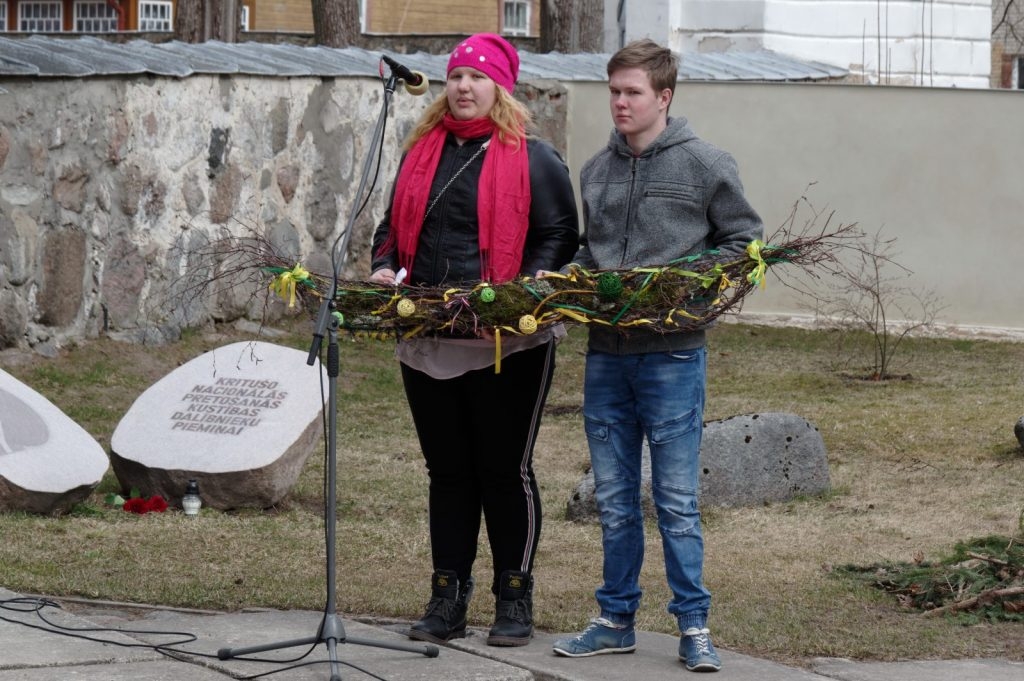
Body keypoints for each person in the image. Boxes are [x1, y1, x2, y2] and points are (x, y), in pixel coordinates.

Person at [550, 39, 763, 672]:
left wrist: (681, 285)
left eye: (631, 92)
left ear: (663, 97)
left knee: (674, 501)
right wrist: (563, 280)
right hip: (606, 357)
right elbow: (593, 253)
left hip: (672, 358)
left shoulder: (705, 164)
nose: (619, 103)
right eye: (613, 91)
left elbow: (744, 244)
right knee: (615, 499)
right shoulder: (596, 170)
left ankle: (694, 626)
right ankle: (615, 618)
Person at [368, 33, 579, 647]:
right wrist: (385, 266)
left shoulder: (534, 157)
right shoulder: (418, 156)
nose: (463, 87)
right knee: (448, 472)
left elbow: (560, 234)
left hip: (506, 340)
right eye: (456, 76)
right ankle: (447, 597)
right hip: (430, 333)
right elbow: (391, 230)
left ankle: (513, 597)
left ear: (500, 88)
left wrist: (530, 283)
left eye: (477, 78)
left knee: (503, 470)